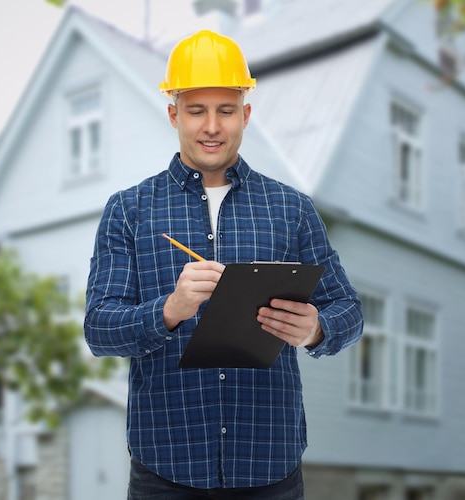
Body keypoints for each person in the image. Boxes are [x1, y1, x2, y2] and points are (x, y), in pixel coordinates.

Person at [84, 29, 363, 499]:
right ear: (174, 114)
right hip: (166, 466)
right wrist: (169, 309)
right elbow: (99, 329)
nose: (211, 126)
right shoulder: (129, 210)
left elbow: (348, 311)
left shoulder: (291, 209)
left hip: (268, 464)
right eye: (196, 110)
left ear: (245, 114)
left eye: (225, 110)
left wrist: (316, 329)